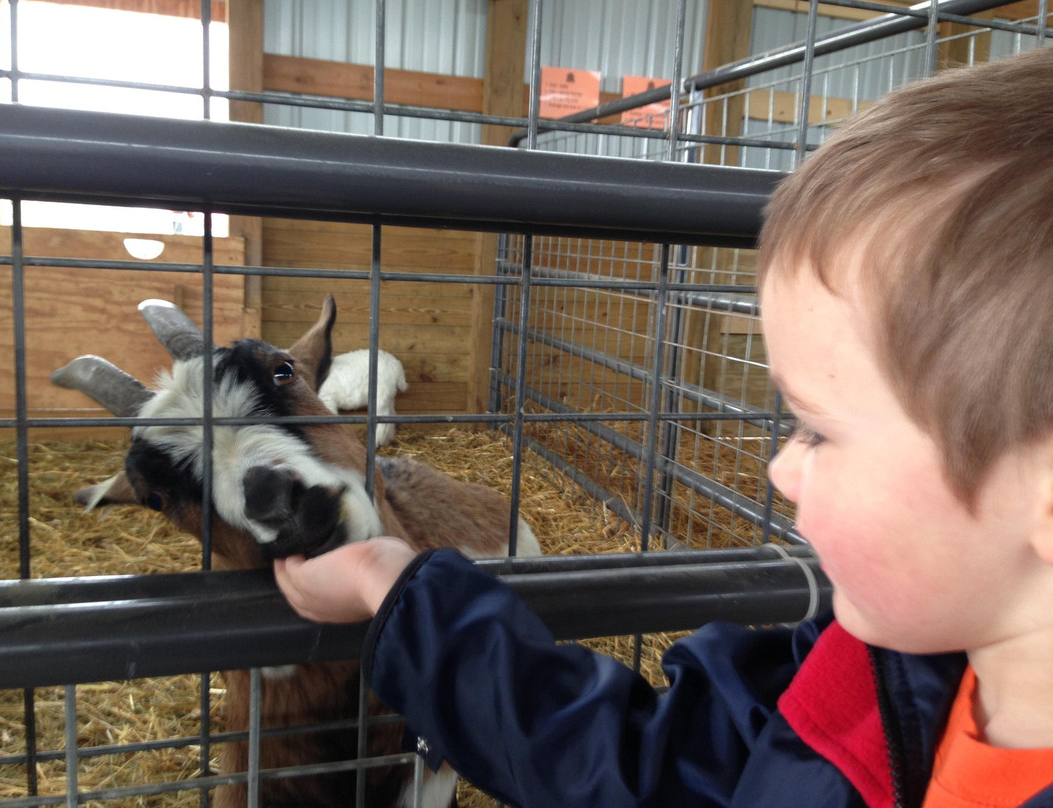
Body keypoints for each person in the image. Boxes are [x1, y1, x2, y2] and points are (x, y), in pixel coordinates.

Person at [274, 46, 1053, 807]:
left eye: (817, 430)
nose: (779, 469)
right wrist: (395, 586)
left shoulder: (880, 670)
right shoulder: (869, 678)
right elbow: (640, 761)